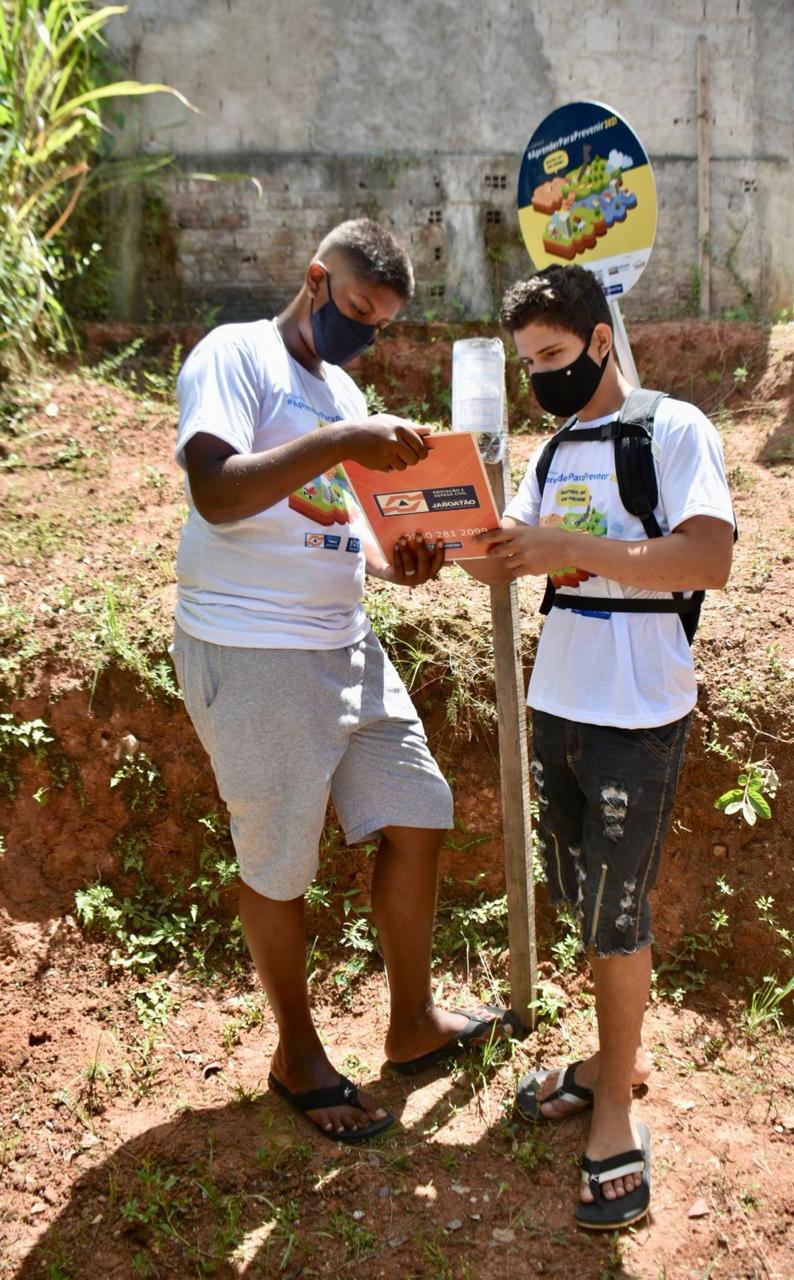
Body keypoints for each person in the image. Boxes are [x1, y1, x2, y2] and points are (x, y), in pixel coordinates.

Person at [171, 218, 512, 1144]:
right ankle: (297, 1054)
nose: (365, 334)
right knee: (278, 862)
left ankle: (412, 1023)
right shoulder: (236, 355)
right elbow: (217, 492)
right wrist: (341, 438)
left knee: (418, 813)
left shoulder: (341, 389)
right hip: (251, 648)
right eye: (358, 310)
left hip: (345, 644)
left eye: (382, 324)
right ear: (316, 279)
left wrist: (397, 562)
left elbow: (341, 525)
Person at [465, 264, 735, 1228]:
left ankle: (613, 1107)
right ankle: (611, 1059)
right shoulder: (551, 453)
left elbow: (709, 558)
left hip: (638, 709)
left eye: (552, 355)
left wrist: (571, 550)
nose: (541, 376)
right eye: (527, 364)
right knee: (582, 898)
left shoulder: (672, 429)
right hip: (559, 700)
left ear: (600, 340)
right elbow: (509, 561)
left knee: (617, 912)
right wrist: (440, 543)